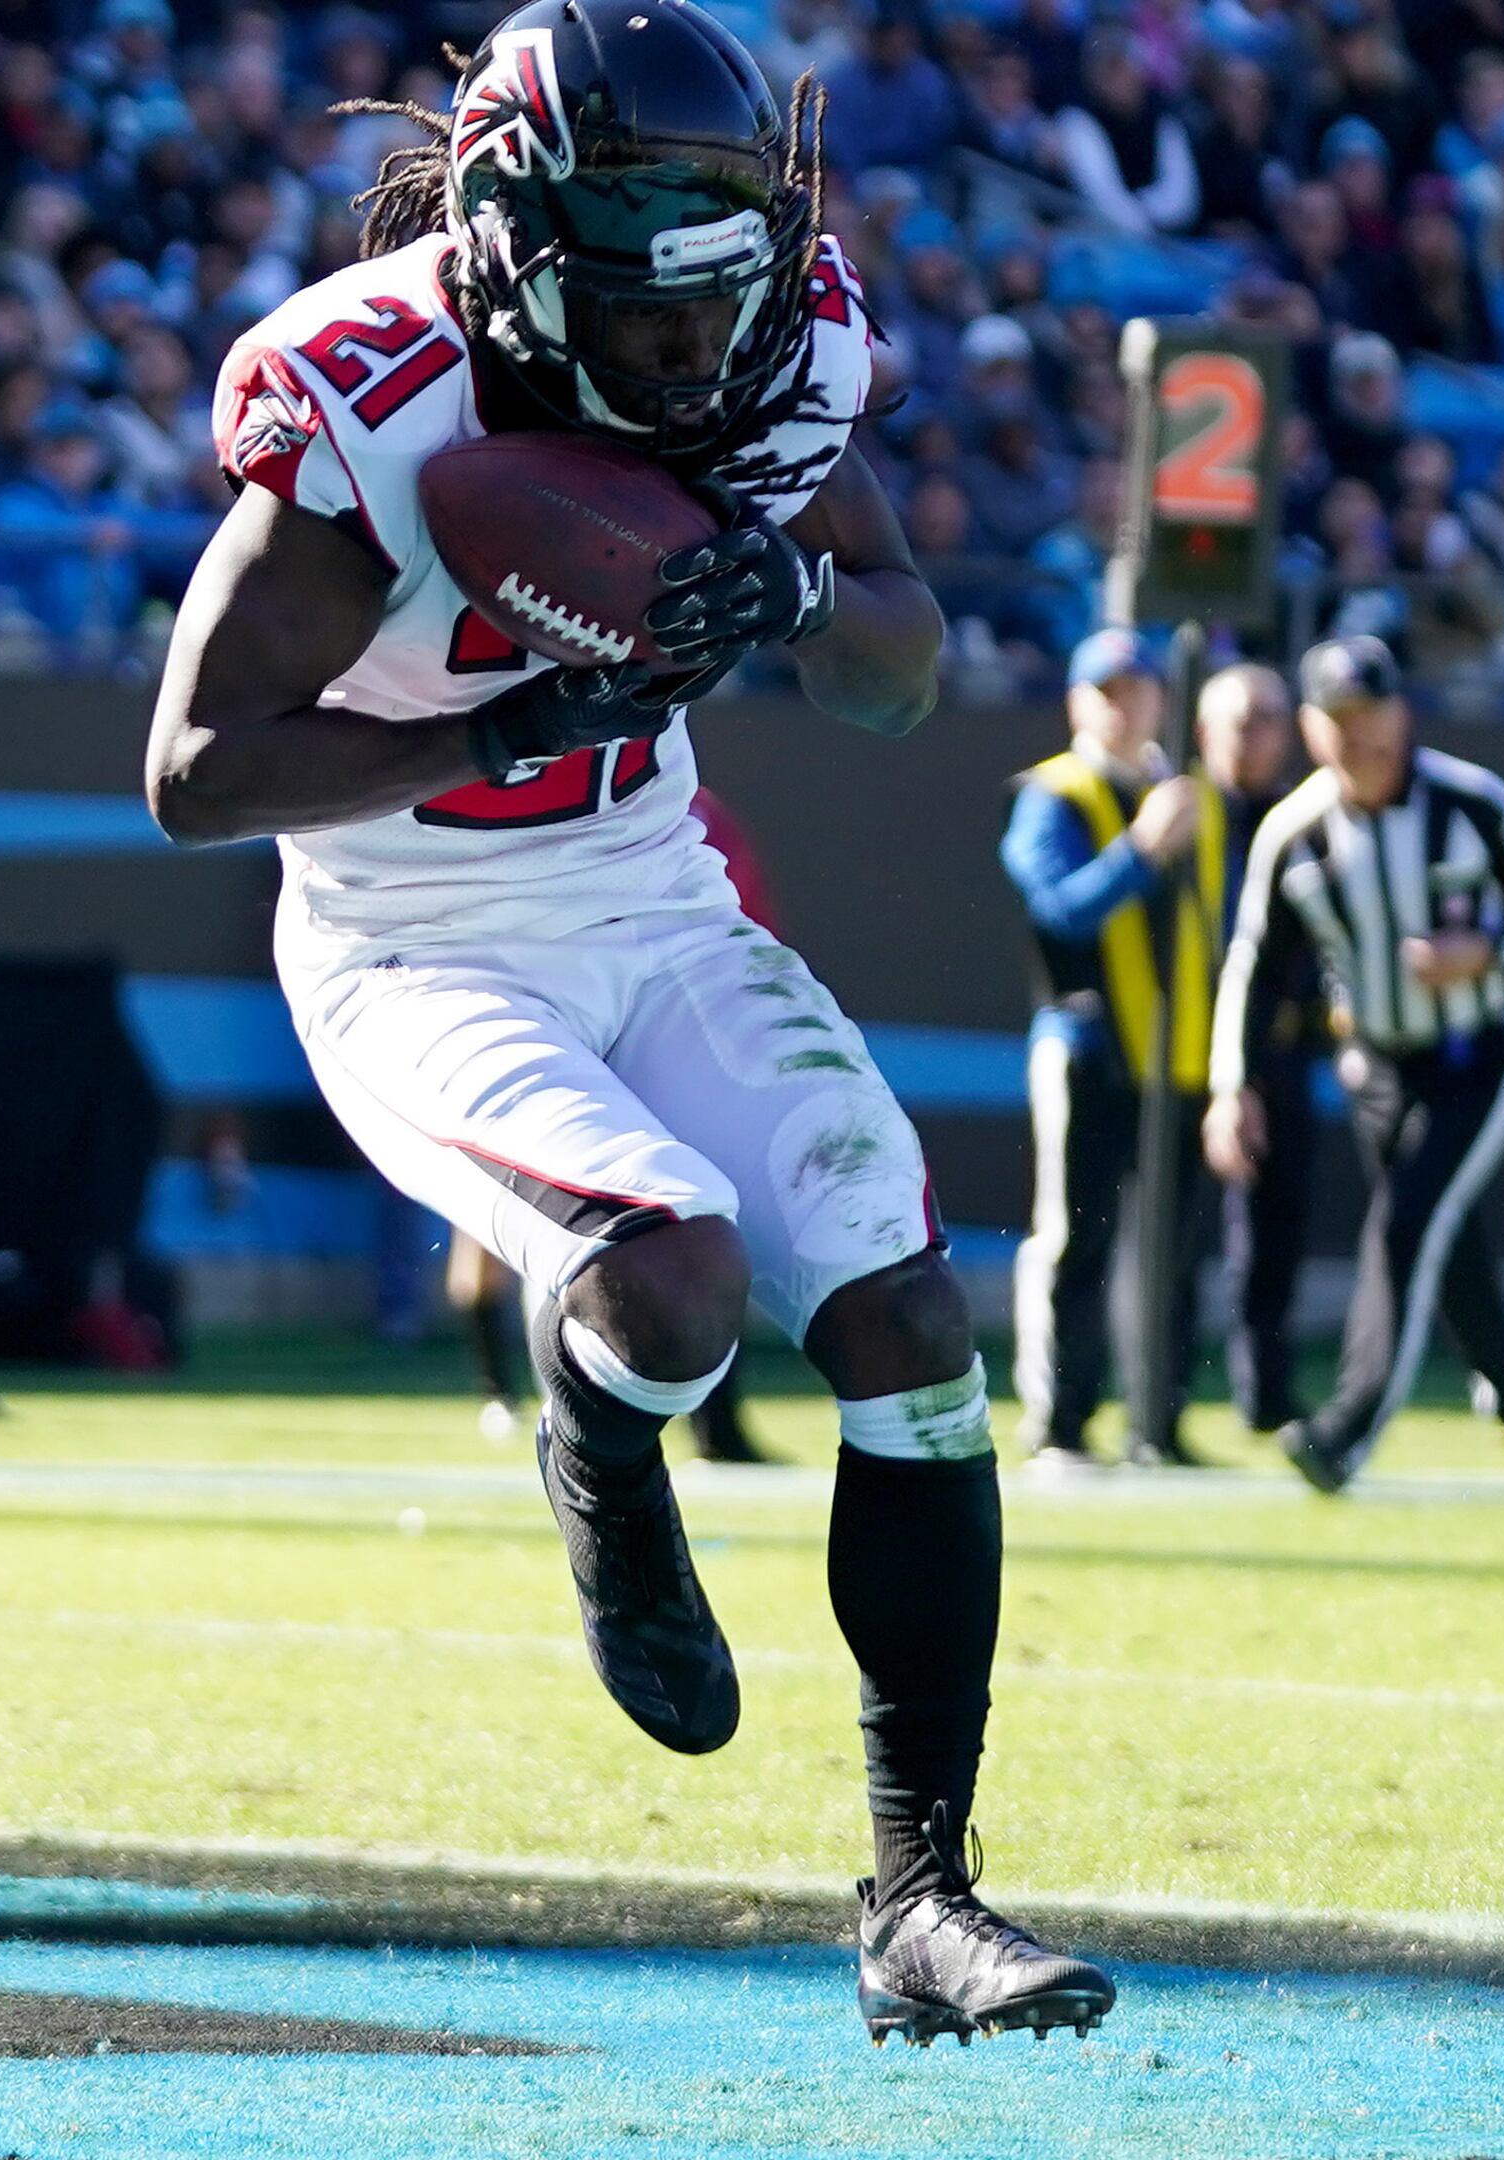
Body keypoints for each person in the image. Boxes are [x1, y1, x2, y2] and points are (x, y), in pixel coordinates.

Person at [142, 0, 1111, 2045]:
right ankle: (602, 1442)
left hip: (653, 895)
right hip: (420, 934)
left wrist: (798, 607)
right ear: (514, 247)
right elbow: (200, 774)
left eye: (719, 302)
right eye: (640, 310)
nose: (691, 357)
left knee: (911, 1323)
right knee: (669, 1282)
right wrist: (503, 715)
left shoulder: (789, 344)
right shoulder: (375, 395)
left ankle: (921, 1901)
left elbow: (903, 669)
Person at [1208, 637, 1504, 1495]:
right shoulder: (1295, 833)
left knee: (1406, 1227)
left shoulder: (1468, 801)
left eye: (1370, 713)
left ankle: (1346, 1429)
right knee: (1449, 1260)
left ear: (1402, 712)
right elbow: (1254, 966)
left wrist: (1486, 952)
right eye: (1337, 717)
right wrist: (1232, 1086)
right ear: (1309, 726)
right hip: (1377, 1067)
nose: (1358, 734)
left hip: (1479, 1056)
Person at [998, 629, 1221, 1473]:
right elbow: (1059, 906)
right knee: (1075, 1238)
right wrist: (1141, 850)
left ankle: (1157, 1422)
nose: (1127, 708)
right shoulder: (1053, 795)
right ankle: (1060, 1423)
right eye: (1109, 692)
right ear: (1077, 703)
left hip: (1180, 1058)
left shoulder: (1184, 792)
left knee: (1171, 1246)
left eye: (1140, 690)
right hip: (1086, 1046)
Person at [1192, 663, 1316, 1433]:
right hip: (1171, 1052)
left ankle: (1264, 1398)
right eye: (1239, 718)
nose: (1253, 734)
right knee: (1161, 1237)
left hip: (1277, 1055)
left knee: (1273, 1232)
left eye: (1269, 717)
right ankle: (1145, 1404)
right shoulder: (1179, 811)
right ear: (1204, 730)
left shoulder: (1306, 825)